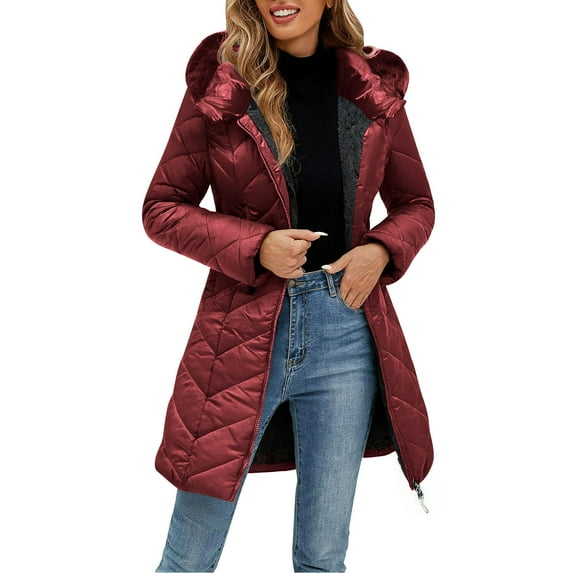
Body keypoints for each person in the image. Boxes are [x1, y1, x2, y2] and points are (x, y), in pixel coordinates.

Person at [143, 0, 435, 571]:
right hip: (242, 336)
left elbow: (416, 203)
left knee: (323, 558)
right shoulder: (224, 87)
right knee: (188, 557)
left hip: (347, 332)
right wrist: (256, 246)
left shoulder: (371, 92)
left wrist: (379, 249)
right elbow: (162, 208)